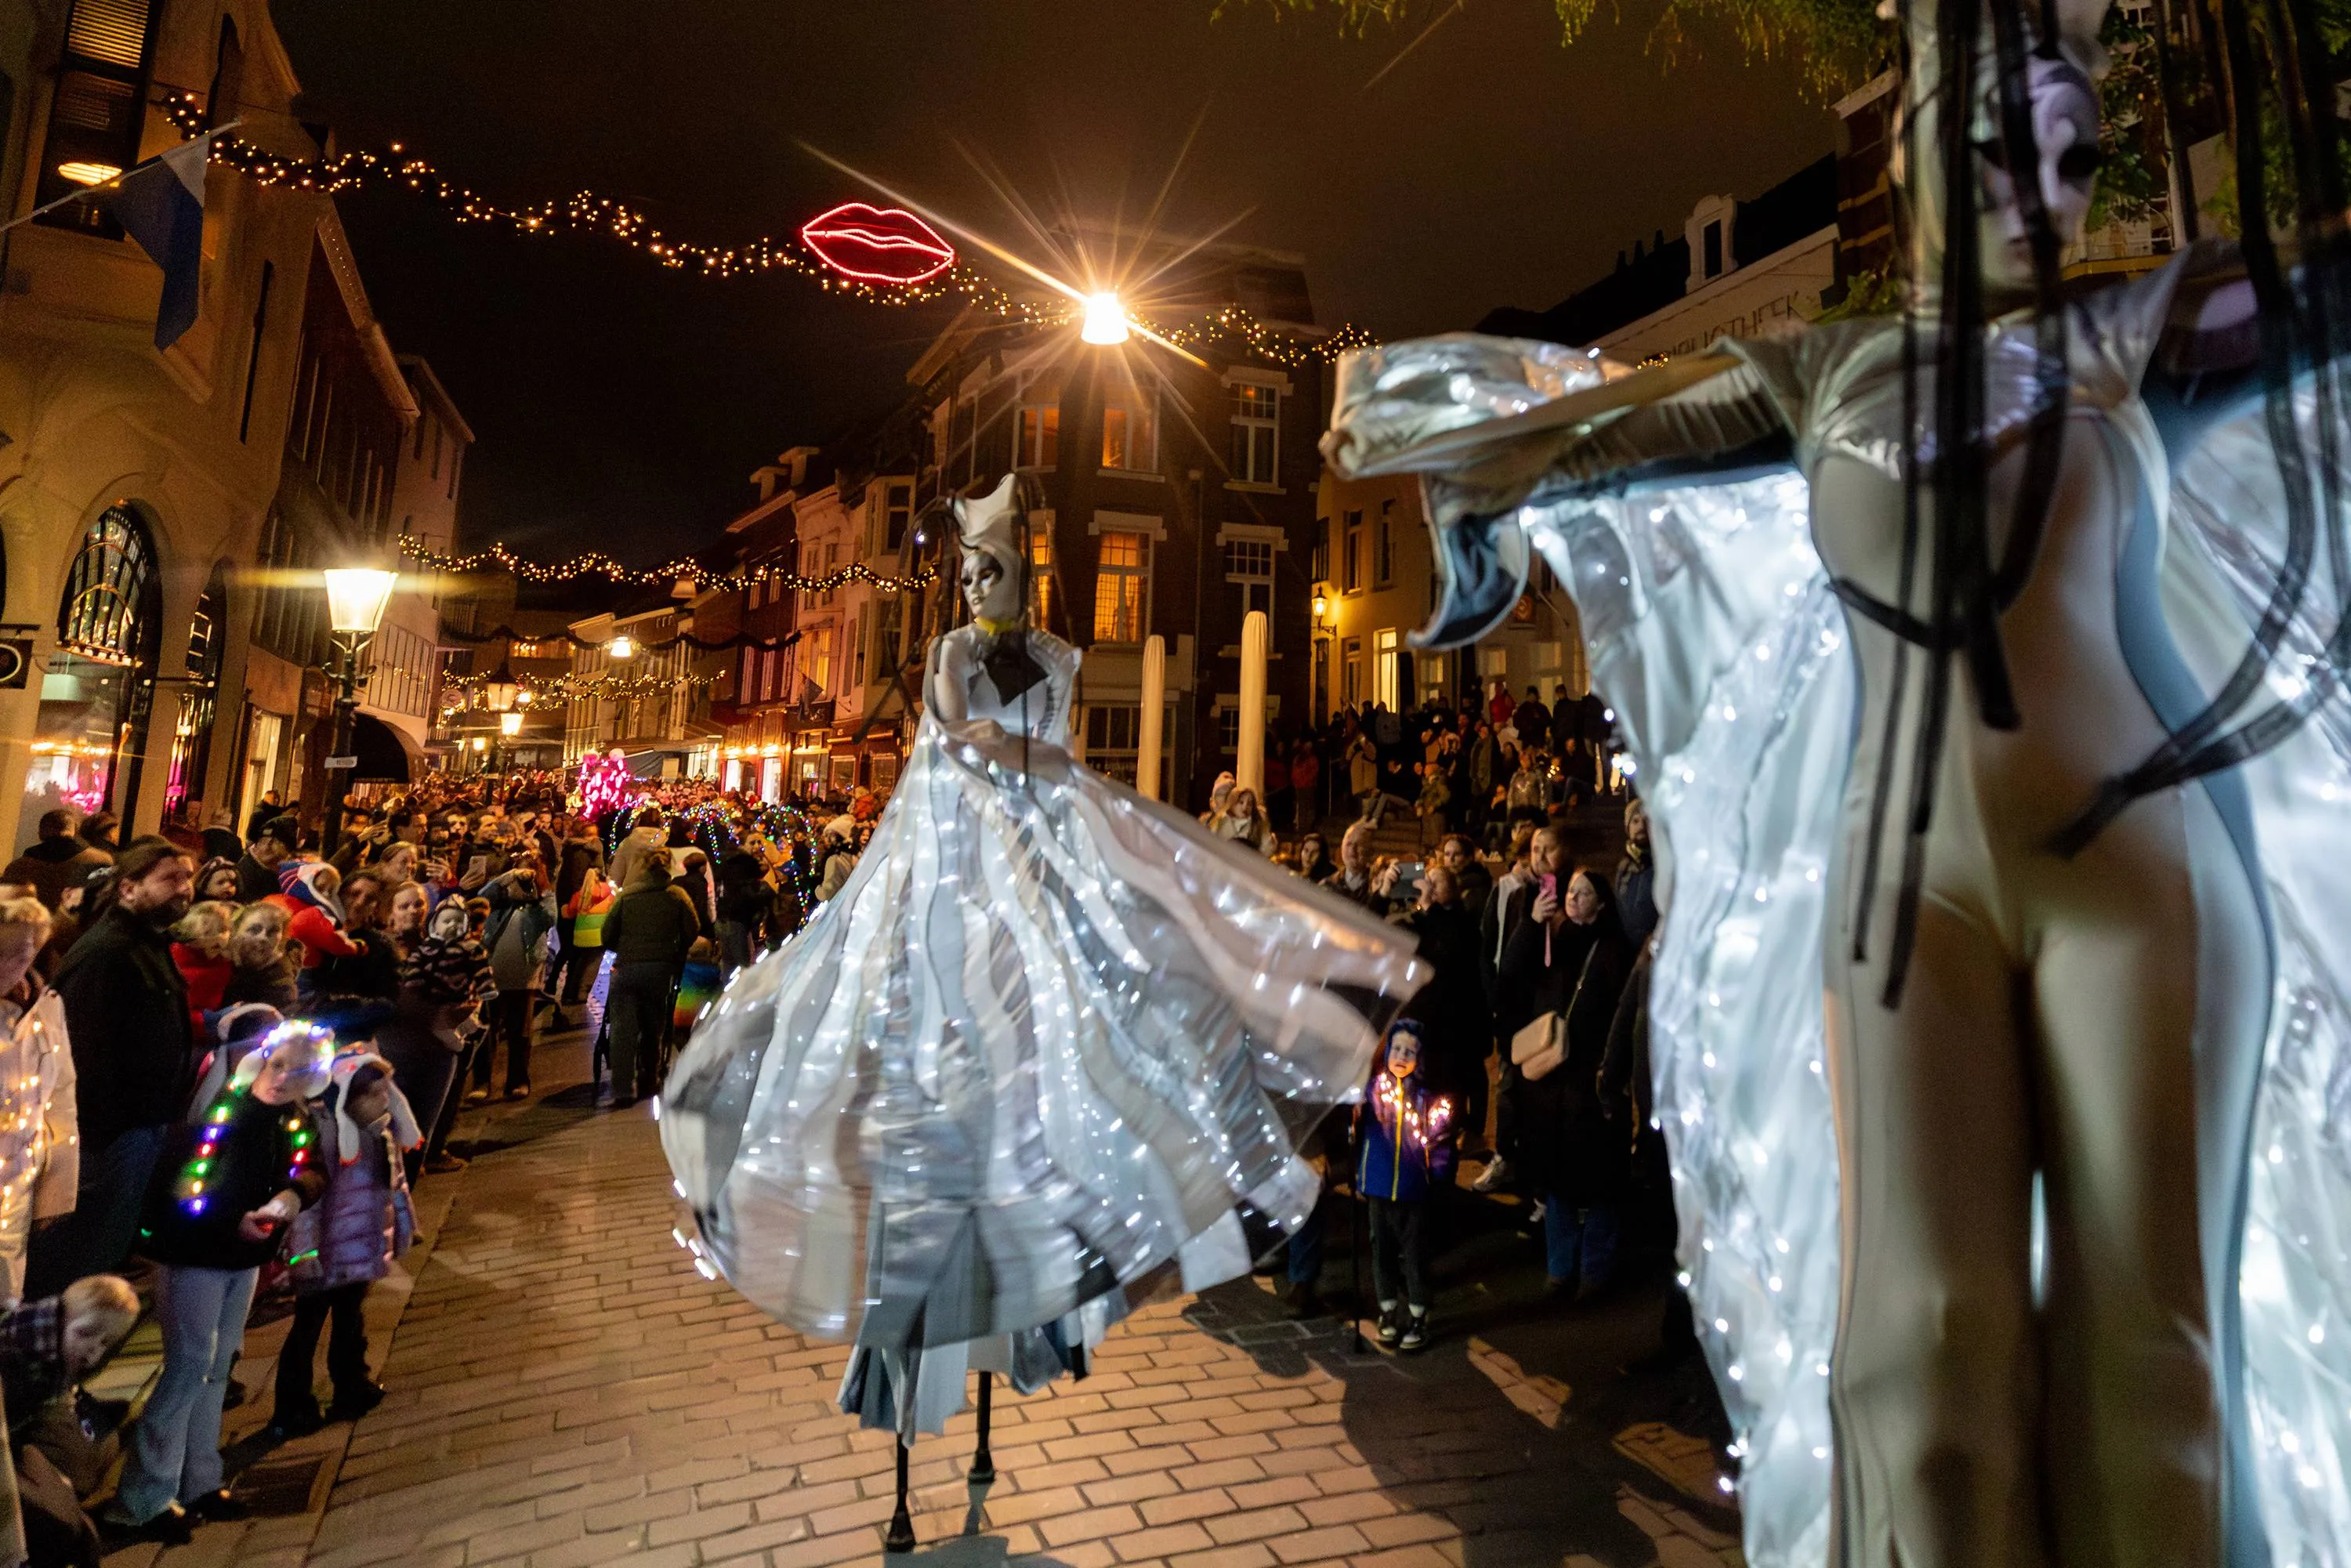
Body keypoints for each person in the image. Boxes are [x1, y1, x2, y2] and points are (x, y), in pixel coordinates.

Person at [661, 475, 1424, 1451]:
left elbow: (1046, 761)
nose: (978, 584)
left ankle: (1047, 1273)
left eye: (994, 569)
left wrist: (1041, 791)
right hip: (956, 878)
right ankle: (911, 1299)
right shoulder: (947, 655)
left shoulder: (1060, 656)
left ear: (1024, 572)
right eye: (971, 571)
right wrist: (1010, 768)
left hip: (1031, 874)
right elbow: (954, 758)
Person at [103, 1022, 332, 1544]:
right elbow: (190, 1189)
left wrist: (289, 1198)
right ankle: (142, 1498)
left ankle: (200, 1482)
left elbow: (311, 1167)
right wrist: (236, 1217)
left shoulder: (292, 1118)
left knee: (218, 1362)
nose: (282, 1080)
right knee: (187, 1365)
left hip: (241, 1255)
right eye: (278, 1066)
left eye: (297, 1073)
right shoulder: (226, 1113)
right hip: (196, 1253)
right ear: (264, 1060)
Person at [23, 842, 195, 1299]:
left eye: (187, 878)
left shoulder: (146, 945)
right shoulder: (109, 952)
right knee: (76, 1262)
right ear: (129, 888)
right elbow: (78, 1050)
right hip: (107, 1137)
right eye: (170, 879)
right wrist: (105, 1132)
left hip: (134, 1129)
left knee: (101, 1251)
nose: (184, 888)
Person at [1497, 865, 1632, 1299]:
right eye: (1570, 891)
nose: (1573, 898)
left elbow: (1622, 1016)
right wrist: (1531, 922)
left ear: (1602, 902)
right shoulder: (1550, 938)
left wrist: (1613, 1075)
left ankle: (1595, 1270)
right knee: (1557, 1180)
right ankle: (1560, 1268)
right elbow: (1512, 978)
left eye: (1584, 893)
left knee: (1600, 1182)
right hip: (1550, 1081)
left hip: (1591, 1081)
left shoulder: (1613, 949)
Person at [271, 1049, 416, 1437]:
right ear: (350, 1097)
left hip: (360, 1250)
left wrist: (402, 1230)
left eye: (387, 1093)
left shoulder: (379, 1134)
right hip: (325, 1256)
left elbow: (395, 1189)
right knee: (308, 1327)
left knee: (351, 1321)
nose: (384, 1102)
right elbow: (308, 1210)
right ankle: (292, 1406)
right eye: (375, 1095)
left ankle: (352, 1384)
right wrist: (304, 1257)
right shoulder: (326, 1139)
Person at [1356, 1018, 1454, 1353]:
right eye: (1396, 1048)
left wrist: (1437, 1175)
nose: (1401, 1055)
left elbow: (1439, 1142)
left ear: (1420, 1057)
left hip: (1413, 1188)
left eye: (1410, 1051)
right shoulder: (1372, 1092)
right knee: (1381, 1249)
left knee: (1414, 1253)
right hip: (1379, 1185)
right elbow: (1357, 1129)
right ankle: (1387, 1310)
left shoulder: (1426, 1099)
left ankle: (1417, 1313)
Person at [0, 897, 78, 1304]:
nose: (16, 963)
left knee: (6, 1297)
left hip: (16, 1188)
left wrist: (57, 1191)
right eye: (7, 951)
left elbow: (61, 1096)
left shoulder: (46, 1007)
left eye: (26, 952)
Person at [599, 848, 701, 1108]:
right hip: (660, 967)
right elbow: (692, 928)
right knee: (654, 1024)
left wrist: (623, 947)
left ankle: (622, 1087)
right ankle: (650, 1077)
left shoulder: (628, 897)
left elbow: (607, 934)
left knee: (623, 1029)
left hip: (627, 966)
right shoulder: (676, 896)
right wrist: (675, 949)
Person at [472, 861, 554, 1101]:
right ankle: (482, 1082)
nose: (521, 884)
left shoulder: (538, 907)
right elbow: (481, 897)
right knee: (486, 1030)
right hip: (491, 976)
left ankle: (518, 1081)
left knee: (521, 1033)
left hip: (523, 978)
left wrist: (541, 887)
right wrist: (508, 876)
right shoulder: (496, 904)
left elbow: (551, 917)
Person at [2, 813, 110, 911]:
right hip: (74, 929)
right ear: (73, 831)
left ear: (41, 833)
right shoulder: (102, 862)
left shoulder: (18, 867)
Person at [220, 904, 297, 1009]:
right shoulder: (215, 961)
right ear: (235, 932)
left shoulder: (281, 981)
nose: (263, 937)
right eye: (254, 930)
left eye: (272, 931)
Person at [1613, 798, 1657, 947]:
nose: (1641, 826)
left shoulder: (1663, 864)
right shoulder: (1623, 867)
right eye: (1635, 821)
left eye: (1647, 820)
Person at [1319, 823, 1385, 912]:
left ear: (1371, 851)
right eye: (1348, 844)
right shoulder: (1327, 886)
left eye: (1359, 844)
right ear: (1341, 848)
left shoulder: (1381, 884)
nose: (1352, 849)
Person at [604, 809, 666, 895]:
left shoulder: (628, 843)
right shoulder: (666, 843)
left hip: (631, 892)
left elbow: (616, 874)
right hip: (659, 893)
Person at [1208, 787, 1273, 855]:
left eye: (1250, 804)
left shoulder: (1256, 826)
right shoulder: (1220, 821)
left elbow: (1266, 850)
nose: (1245, 807)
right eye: (1241, 802)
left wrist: (1264, 824)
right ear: (1232, 802)